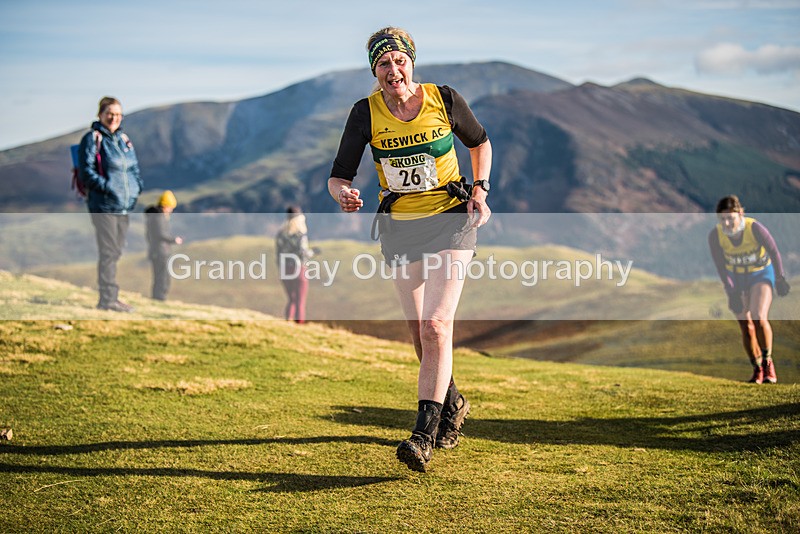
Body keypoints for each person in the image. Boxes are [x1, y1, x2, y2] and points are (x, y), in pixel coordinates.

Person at [328, 27, 492, 472]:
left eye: (399, 60)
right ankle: (452, 403)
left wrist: (480, 190)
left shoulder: (444, 99)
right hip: (400, 230)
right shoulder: (364, 113)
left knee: (437, 326)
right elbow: (339, 175)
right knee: (421, 335)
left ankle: (423, 436)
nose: (393, 70)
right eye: (383, 63)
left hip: (451, 219)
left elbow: (480, 142)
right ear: (375, 71)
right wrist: (343, 194)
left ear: (411, 62)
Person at [708, 195, 791, 383]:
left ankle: (768, 362)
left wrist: (780, 278)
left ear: (740, 214)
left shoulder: (754, 228)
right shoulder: (715, 236)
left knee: (758, 316)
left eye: (730, 218)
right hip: (737, 279)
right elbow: (721, 267)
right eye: (722, 219)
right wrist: (731, 292)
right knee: (745, 325)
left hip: (760, 274)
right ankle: (757, 368)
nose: (727, 223)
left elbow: (774, 251)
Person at [77, 96, 143, 312]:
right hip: (103, 205)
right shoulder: (92, 139)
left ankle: (110, 297)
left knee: (116, 251)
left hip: (123, 205)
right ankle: (108, 299)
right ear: (100, 115)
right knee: (108, 251)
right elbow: (86, 172)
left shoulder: (124, 140)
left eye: (118, 114)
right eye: (110, 114)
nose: (114, 118)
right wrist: (108, 187)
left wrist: (137, 187)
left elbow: (133, 168)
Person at [275, 206, 318, 324]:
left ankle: (288, 322)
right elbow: (302, 253)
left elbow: (278, 254)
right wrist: (313, 252)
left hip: (284, 270)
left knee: (291, 299)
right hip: (299, 269)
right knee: (300, 300)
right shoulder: (300, 235)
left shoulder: (280, 234)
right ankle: (299, 325)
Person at [145, 190, 183, 301]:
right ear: (166, 206)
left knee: (159, 275)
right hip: (161, 251)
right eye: (170, 208)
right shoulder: (159, 217)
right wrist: (174, 240)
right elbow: (161, 234)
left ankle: (158, 297)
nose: (171, 210)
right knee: (162, 276)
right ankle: (160, 297)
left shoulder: (153, 216)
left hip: (156, 250)